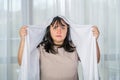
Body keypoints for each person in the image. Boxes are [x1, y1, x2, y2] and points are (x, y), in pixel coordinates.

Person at [18, 16, 100, 80]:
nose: (59, 31)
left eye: (63, 27)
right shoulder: (41, 48)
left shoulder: (75, 47)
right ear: (49, 30)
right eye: (55, 27)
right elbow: (22, 62)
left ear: (67, 30)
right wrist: (23, 39)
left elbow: (95, 60)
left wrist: (94, 40)